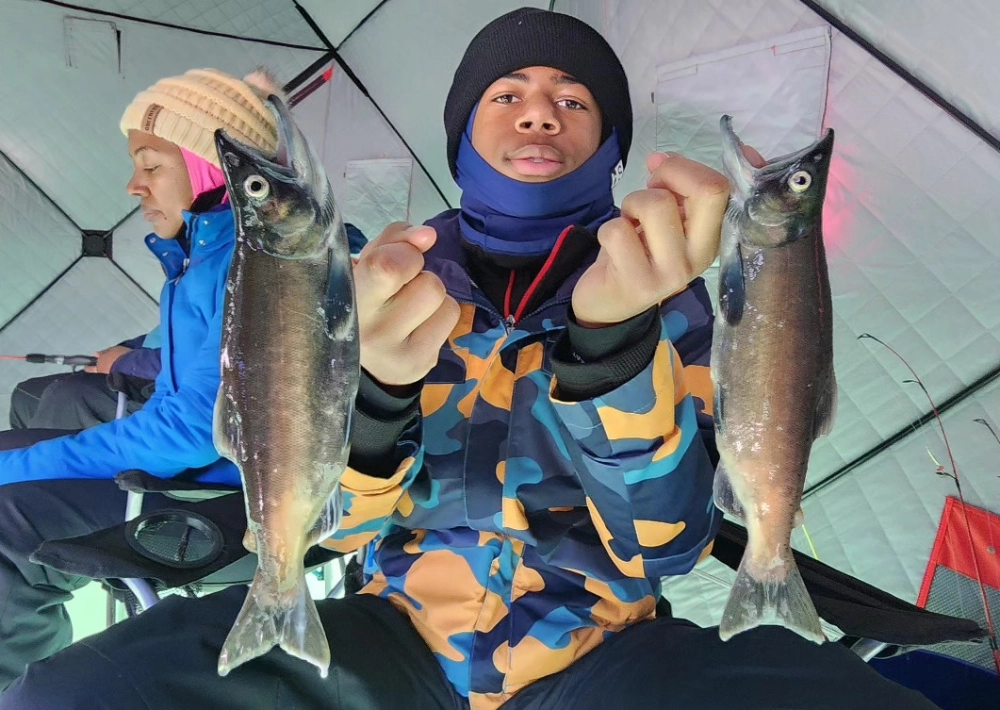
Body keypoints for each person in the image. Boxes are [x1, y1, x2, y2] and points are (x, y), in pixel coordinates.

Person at [1, 9, 940, 710]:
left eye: (572, 100)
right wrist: (377, 397)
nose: (540, 112)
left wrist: (613, 350)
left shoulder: (671, 291)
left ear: (608, 144)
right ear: (463, 133)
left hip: (601, 650)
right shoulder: (381, 275)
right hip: (390, 632)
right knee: (73, 696)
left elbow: (669, 548)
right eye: (508, 94)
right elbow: (331, 528)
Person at [0, 67, 286, 693]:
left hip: (231, 501)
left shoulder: (248, 264)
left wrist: (26, 469)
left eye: (152, 164)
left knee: (5, 519)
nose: (134, 186)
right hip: (205, 471)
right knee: (14, 443)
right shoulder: (206, 254)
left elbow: (190, 432)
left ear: (215, 167)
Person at [8, 327, 161, 430]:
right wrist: (109, 358)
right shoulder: (176, 284)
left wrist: (123, 362)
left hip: (165, 392)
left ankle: (37, 475)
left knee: (67, 396)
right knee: (24, 396)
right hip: (145, 366)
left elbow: (183, 362)